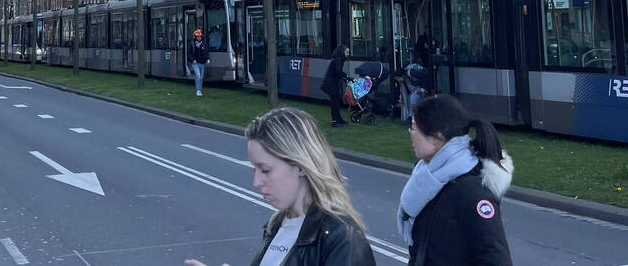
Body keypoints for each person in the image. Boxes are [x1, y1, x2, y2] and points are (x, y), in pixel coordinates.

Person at [185, 107, 375, 266]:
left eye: (265, 170)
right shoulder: (277, 225)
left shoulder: (342, 237)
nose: (256, 182)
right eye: (254, 169)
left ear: (301, 166)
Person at [398, 94, 513, 265]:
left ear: (436, 137)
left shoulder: (470, 192)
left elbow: (495, 259)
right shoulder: (429, 179)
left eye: (414, 128)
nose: (411, 134)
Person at [320, 43, 350, 128]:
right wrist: (346, 76)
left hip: (331, 83)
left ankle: (338, 120)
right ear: (342, 52)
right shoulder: (338, 60)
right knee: (335, 102)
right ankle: (335, 121)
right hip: (331, 83)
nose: (348, 54)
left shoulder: (338, 59)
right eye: (347, 52)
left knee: (336, 101)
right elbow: (338, 72)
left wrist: (344, 76)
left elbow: (337, 72)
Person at [190, 29, 209, 97]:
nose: (199, 37)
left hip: (202, 63)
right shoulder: (192, 44)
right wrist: (192, 60)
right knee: (198, 75)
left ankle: (199, 90)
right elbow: (189, 53)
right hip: (195, 63)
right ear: (195, 37)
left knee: (201, 77)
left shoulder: (203, 44)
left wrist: (207, 59)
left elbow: (206, 52)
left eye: (200, 36)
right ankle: (198, 90)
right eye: (197, 36)